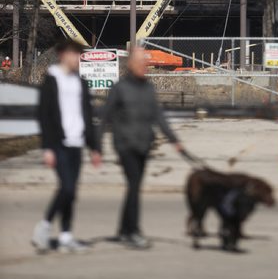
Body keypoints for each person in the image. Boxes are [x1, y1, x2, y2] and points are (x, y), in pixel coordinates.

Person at [99, 46, 186, 249]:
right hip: (125, 144)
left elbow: (158, 116)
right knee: (135, 186)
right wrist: (97, 147)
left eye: (145, 63)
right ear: (130, 64)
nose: (144, 66)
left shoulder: (148, 88)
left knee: (133, 187)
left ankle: (123, 229)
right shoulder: (119, 88)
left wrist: (174, 140)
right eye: (140, 62)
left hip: (144, 143)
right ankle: (133, 231)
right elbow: (104, 117)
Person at [32, 39, 101, 253]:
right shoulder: (52, 80)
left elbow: (87, 116)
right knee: (67, 188)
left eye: (78, 55)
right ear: (62, 54)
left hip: (77, 142)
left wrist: (94, 147)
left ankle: (65, 237)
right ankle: (44, 226)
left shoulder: (80, 82)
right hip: (58, 143)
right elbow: (44, 115)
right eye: (73, 54)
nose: (76, 59)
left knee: (71, 192)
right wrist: (47, 148)